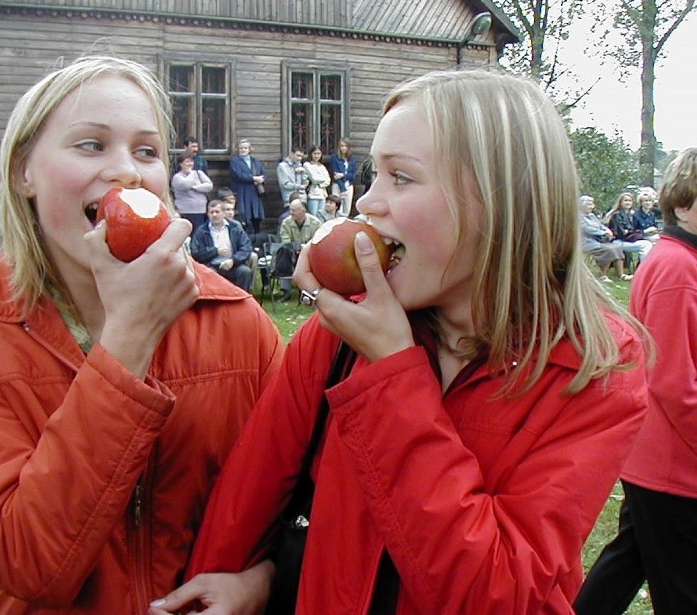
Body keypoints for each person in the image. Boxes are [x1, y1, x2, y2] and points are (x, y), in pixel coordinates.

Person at [151, 69, 651, 615]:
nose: (368, 203)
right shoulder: (340, 334)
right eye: (373, 175)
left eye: (401, 178)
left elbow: (496, 594)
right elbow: (246, 505)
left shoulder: (590, 368)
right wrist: (251, 580)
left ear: (500, 202)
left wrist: (392, 370)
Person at [0, 54, 282, 614]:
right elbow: (29, 564)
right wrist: (129, 339)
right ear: (23, 172)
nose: (127, 171)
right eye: (91, 145)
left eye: (146, 151)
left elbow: (300, 500)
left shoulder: (235, 318)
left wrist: (263, 581)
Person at [573, 148, 697, 615]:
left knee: (626, 563)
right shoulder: (677, 268)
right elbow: (673, 382)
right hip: (673, 467)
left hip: (659, 461)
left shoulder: (680, 260)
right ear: (682, 205)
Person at [190, 199, 254, 292]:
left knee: (245, 272)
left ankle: (241, 302)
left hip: (233, 265)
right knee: (209, 274)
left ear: (223, 213)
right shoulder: (201, 231)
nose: (214, 215)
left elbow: (246, 248)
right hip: (212, 265)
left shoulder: (235, 227)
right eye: (211, 212)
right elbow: (196, 253)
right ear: (208, 214)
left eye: (217, 212)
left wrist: (233, 260)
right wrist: (215, 251)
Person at [579, 195, 632, 281]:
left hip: (598, 240)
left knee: (616, 247)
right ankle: (603, 275)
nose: (591, 206)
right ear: (582, 205)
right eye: (588, 205)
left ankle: (621, 274)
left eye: (592, 204)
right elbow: (586, 229)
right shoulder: (578, 216)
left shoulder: (592, 215)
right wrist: (603, 233)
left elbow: (600, 225)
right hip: (586, 242)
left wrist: (607, 230)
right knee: (608, 249)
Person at [229, 139, 266, 234]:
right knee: (244, 216)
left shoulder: (255, 161)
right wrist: (254, 178)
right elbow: (238, 175)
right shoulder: (234, 161)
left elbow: (263, 172)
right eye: (241, 148)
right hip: (242, 191)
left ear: (250, 149)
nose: (243, 150)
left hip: (255, 192)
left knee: (256, 217)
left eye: (245, 148)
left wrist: (262, 178)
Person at [606, 192, 654, 264]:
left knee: (652, 244)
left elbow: (631, 231)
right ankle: (643, 270)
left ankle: (645, 267)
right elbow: (622, 234)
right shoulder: (617, 215)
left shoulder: (630, 214)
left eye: (630, 200)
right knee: (646, 245)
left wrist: (630, 231)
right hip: (618, 241)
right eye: (625, 200)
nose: (628, 202)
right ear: (620, 202)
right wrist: (640, 232)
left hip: (628, 239)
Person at [171, 151, 213, 233]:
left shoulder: (199, 173)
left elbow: (209, 186)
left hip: (201, 210)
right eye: (187, 161)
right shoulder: (177, 177)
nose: (190, 164)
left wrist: (196, 187)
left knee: (199, 234)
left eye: (191, 161)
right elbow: (186, 185)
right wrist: (190, 174)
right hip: (186, 211)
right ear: (181, 164)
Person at [329, 137, 358, 216]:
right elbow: (335, 176)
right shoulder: (334, 158)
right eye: (341, 146)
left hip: (349, 185)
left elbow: (353, 175)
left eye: (345, 146)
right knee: (337, 208)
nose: (343, 148)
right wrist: (342, 188)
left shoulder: (352, 159)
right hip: (338, 185)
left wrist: (343, 175)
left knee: (346, 209)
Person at [302, 145, 331, 217]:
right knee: (313, 216)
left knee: (321, 215)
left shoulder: (322, 166)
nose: (316, 156)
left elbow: (328, 180)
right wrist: (322, 179)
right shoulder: (307, 165)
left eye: (318, 153)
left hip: (322, 194)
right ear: (311, 154)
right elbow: (314, 179)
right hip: (313, 194)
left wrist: (320, 184)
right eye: (314, 153)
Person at [276, 147, 308, 211]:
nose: (299, 158)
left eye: (301, 156)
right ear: (291, 154)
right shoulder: (282, 166)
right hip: (289, 200)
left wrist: (304, 172)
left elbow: (305, 183)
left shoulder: (300, 165)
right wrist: (299, 186)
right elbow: (284, 184)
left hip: (302, 199)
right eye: (298, 155)